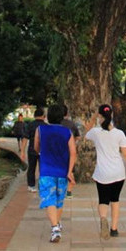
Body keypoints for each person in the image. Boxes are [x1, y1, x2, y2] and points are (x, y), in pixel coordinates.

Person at [85, 104, 126, 239]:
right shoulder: (119, 133)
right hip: (118, 172)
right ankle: (114, 229)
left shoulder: (96, 132)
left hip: (102, 173)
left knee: (103, 200)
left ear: (100, 116)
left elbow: (87, 130)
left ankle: (103, 218)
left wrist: (93, 118)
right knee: (115, 200)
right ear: (112, 115)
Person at [34, 104, 76, 243]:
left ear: (48, 116)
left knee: (49, 198)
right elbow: (73, 152)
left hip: (46, 171)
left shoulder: (40, 129)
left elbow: (36, 147)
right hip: (62, 171)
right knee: (59, 199)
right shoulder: (67, 132)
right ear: (62, 116)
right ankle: (56, 224)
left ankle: (55, 227)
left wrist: (42, 151)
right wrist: (70, 171)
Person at [22, 108, 46, 192]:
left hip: (32, 149)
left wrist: (22, 151)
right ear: (44, 116)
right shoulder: (46, 126)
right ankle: (42, 185)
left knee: (31, 168)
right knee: (42, 168)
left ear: (34, 116)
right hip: (43, 150)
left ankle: (31, 186)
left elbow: (25, 138)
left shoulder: (30, 125)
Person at [60, 105, 81, 199]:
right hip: (69, 151)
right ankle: (68, 192)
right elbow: (78, 136)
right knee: (70, 170)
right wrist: (73, 142)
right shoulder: (71, 124)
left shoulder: (55, 124)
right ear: (67, 113)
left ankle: (59, 190)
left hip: (57, 151)